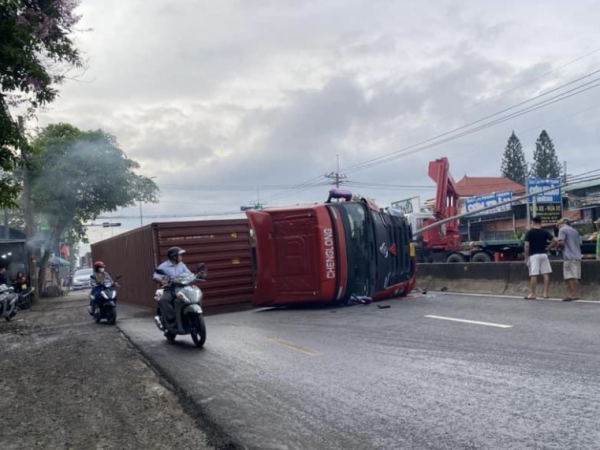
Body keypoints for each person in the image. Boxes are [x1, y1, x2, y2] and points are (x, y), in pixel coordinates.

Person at [153, 247, 192, 327]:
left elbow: (189, 273)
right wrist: (161, 281)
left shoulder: (182, 265)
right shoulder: (163, 266)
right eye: (180, 255)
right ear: (174, 257)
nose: (181, 257)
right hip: (170, 289)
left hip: (182, 288)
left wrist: (195, 276)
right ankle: (173, 319)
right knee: (163, 300)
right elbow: (155, 276)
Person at [524, 216, 556, 300]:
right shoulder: (545, 232)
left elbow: (527, 245)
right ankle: (545, 293)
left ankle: (532, 293)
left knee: (533, 274)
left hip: (534, 255)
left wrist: (526, 257)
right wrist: (548, 248)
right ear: (541, 223)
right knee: (545, 274)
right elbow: (555, 240)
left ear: (533, 223)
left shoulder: (529, 233)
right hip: (544, 254)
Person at [555, 218, 582, 301]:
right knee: (576, 276)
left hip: (569, 256)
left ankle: (572, 294)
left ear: (559, 224)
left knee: (569, 276)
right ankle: (576, 294)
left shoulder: (562, 230)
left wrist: (557, 247)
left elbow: (561, 242)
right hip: (577, 256)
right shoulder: (575, 231)